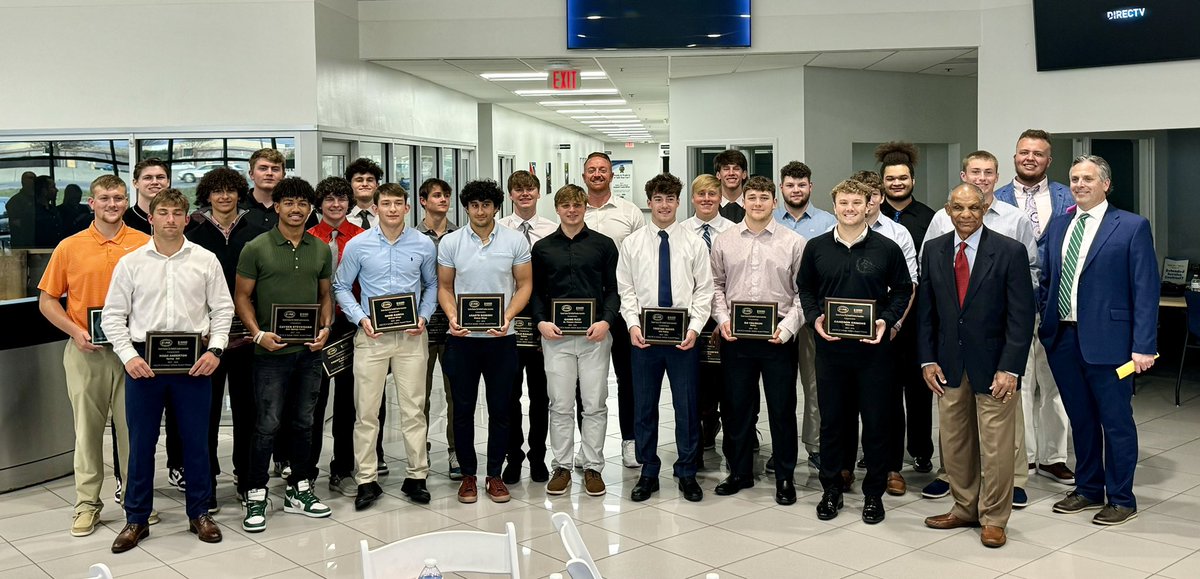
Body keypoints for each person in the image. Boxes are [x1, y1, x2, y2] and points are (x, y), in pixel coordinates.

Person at [102, 188, 233, 552]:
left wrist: (217, 350)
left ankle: (200, 513)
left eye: (178, 213)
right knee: (141, 443)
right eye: (164, 213)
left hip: (195, 361)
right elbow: (113, 315)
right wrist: (128, 356)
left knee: (196, 442)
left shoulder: (205, 260)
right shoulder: (131, 262)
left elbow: (222, 310)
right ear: (151, 218)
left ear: (187, 218)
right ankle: (136, 519)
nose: (171, 220)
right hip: (143, 362)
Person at [918, 183, 1035, 548]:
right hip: (949, 364)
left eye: (973, 208)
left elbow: (1021, 315)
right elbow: (927, 312)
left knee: (997, 446)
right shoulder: (935, 250)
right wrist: (927, 359)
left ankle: (995, 517)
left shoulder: (1009, 251)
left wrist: (1011, 367)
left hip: (995, 366)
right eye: (958, 208)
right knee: (954, 442)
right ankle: (964, 507)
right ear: (948, 210)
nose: (966, 214)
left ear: (985, 209)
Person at [1043, 155, 1158, 526]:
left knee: (1116, 422)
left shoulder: (1131, 227)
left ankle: (1122, 497)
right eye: (1074, 178)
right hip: (1063, 339)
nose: (1079, 184)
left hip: (1112, 344)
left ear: (1105, 184)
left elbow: (1145, 289)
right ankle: (1089, 489)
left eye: (1087, 179)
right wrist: (1047, 325)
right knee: (1081, 420)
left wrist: (1144, 345)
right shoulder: (1060, 225)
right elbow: (1048, 279)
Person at [37, 175, 150, 538]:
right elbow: (48, 301)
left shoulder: (144, 244)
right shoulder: (69, 247)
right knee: (87, 434)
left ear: (126, 200)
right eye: (104, 198)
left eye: (118, 198)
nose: (112, 204)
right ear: (92, 203)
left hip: (131, 354)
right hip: (87, 352)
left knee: (134, 432)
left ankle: (137, 506)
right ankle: (87, 505)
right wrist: (75, 331)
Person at [798, 179, 912, 524]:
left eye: (856, 203)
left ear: (868, 206)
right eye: (843, 203)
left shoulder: (887, 248)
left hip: (874, 352)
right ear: (834, 206)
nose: (849, 209)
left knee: (877, 423)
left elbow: (903, 291)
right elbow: (805, 289)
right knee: (833, 422)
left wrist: (887, 321)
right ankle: (831, 488)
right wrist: (815, 318)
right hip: (831, 351)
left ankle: (873, 494)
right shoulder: (816, 248)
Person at [234, 177, 335, 533]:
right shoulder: (256, 247)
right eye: (288, 202)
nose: (296, 209)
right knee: (267, 424)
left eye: (302, 204)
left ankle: (300, 488)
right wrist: (258, 334)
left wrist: (325, 327)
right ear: (276, 206)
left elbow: (325, 295)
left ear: (310, 209)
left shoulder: (320, 249)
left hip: (309, 352)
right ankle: (256, 491)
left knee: (304, 422)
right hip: (271, 353)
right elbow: (242, 296)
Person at [334, 182, 438, 510]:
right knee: (366, 412)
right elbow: (340, 285)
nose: (392, 209)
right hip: (371, 337)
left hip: (411, 337)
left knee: (413, 409)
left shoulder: (423, 244)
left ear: (408, 208)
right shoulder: (358, 245)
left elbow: (431, 284)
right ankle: (367, 479)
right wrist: (360, 318)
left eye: (398, 204)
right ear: (375, 208)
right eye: (386, 204)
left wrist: (423, 315)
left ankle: (416, 475)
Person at [709, 176, 806, 506]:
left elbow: (802, 293)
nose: (758, 203)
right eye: (752, 197)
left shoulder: (793, 242)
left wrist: (789, 328)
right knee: (737, 408)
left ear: (774, 202)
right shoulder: (724, 240)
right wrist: (722, 321)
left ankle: (784, 476)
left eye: (764, 198)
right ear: (743, 201)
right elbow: (715, 286)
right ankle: (739, 473)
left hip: (778, 337)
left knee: (781, 410)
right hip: (736, 338)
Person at [617, 173, 712, 502]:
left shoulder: (693, 243)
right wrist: (632, 325)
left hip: (683, 338)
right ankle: (648, 470)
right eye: (658, 199)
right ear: (649, 203)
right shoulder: (632, 244)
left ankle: (687, 471)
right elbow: (626, 290)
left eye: (670, 199)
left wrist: (695, 328)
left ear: (677, 202)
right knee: (644, 406)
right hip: (644, 339)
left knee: (687, 406)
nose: (664, 205)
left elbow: (704, 291)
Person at [438, 179, 533, 503]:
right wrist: (452, 316)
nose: (480, 211)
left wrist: (507, 316)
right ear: (466, 207)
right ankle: (467, 475)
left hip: (501, 339)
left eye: (486, 205)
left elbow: (524, 284)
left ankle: (494, 474)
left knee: (501, 409)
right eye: (474, 205)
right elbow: (445, 287)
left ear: (496, 207)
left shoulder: (514, 240)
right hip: (461, 340)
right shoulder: (450, 243)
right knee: (462, 410)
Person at [994, 129, 1077, 487]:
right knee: (1019, 381)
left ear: (1048, 160)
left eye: (1038, 153)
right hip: (1011, 306)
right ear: (1014, 156)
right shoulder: (992, 199)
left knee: (1056, 383)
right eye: (1024, 152)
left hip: (1056, 303)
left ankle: (1054, 457)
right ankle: (1023, 457)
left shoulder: (1068, 197)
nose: (1030, 158)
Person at [185, 167, 268, 510]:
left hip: (248, 335)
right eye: (216, 191)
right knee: (205, 413)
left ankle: (246, 479)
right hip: (206, 338)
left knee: (249, 411)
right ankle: (206, 482)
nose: (223, 197)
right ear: (207, 195)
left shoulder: (258, 226)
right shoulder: (192, 230)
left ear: (239, 193)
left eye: (230, 190)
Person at [533, 184, 620, 498]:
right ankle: (562, 466)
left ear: (585, 207)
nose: (572, 210)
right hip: (555, 338)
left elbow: (613, 289)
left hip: (594, 336)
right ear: (557, 209)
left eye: (577, 205)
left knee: (595, 403)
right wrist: (541, 321)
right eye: (565, 205)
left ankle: (594, 466)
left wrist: (606, 321)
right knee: (560, 404)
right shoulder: (542, 249)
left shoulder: (604, 245)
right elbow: (536, 292)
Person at [304, 177, 379, 501]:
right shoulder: (307, 238)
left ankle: (343, 469)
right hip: (316, 329)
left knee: (350, 402)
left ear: (349, 203)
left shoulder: (363, 238)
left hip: (352, 326)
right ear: (319, 204)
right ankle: (305, 471)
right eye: (329, 199)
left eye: (341, 199)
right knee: (312, 403)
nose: (335, 205)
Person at [875, 142, 935, 496]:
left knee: (918, 390)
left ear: (913, 179)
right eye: (890, 178)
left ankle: (922, 451)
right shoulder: (872, 216)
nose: (897, 183)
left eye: (903, 178)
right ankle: (890, 457)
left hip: (917, 319)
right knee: (886, 393)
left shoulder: (928, 218)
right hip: (880, 321)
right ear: (882, 182)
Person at [771, 161, 837, 474]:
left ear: (810, 186)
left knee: (814, 386)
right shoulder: (768, 220)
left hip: (812, 317)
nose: (796, 190)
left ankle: (816, 447)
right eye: (790, 185)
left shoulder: (828, 222)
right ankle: (781, 449)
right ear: (781, 188)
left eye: (801, 184)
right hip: (778, 318)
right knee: (778, 391)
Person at [580, 151, 645, 468]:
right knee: (586, 381)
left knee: (627, 377)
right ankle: (586, 445)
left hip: (622, 306)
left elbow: (640, 262)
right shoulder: (574, 212)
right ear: (583, 176)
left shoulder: (630, 212)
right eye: (591, 170)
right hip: (583, 309)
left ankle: (630, 441)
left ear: (611, 175)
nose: (597, 174)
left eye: (602, 169)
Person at [497, 170, 557, 484]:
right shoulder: (499, 230)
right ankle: (513, 458)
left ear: (538, 193)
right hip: (508, 322)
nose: (524, 194)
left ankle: (537, 457)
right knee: (509, 395)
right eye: (518, 190)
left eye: (529, 189)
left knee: (540, 395)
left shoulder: (553, 229)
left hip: (543, 323)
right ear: (510, 194)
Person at [680, 175, 735, 453]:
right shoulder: (680, 231)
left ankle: (736, 434)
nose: (706, 199)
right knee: (698, 379)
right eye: (701, 194)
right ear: (692, 198)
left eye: (712, 194)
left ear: (720, 197)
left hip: (725, 317)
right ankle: (705, 426)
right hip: (692, 318)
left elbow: (734, 280)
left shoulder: (734, 231)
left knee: (728, 379)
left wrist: (725, 318)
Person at [417, 177, 460, 479]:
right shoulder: (410, 237)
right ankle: (421, 453)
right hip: (419, 325)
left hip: (455, 324)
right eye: (436, 195)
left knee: (455, 392)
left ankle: (456, 452)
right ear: (423, 201)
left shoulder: (461, 236)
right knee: (419, 394)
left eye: (446, 195)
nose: (442, 200)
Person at [123, 158, 170, 234]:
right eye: (147, 178)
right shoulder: (122, 222)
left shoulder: (181, 221)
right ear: (135, 183)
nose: (154, 182)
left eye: (160, 177)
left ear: (168, 182)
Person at [345, 157, 382, 229]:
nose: (365, 184)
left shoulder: (386, 216)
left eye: (370, 180)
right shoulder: (342, 218)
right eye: (359, 180)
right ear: (350, 185)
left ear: (377, 185)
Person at [714, 149, 748, 223]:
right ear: (718, 175)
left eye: (736, 169)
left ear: (744, 174)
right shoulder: (710, 206)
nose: (731, 173)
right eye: (726, 169)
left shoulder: (753, 205)